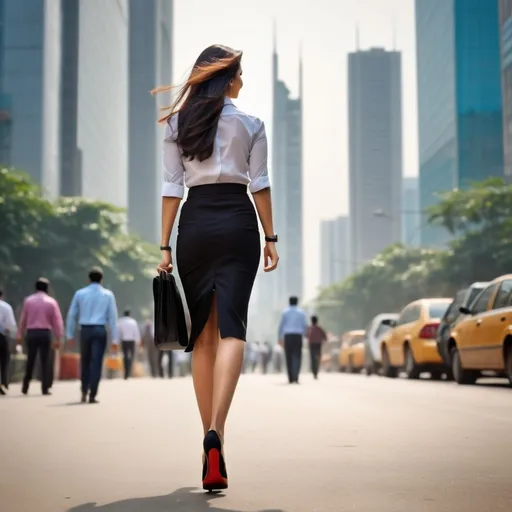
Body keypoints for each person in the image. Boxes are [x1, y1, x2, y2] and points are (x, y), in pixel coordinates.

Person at [153, 44, 279, 491]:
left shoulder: (176, 125)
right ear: (228, 80)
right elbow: (260, 184)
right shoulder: (251, 124)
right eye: (240, 76)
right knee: (233, 329)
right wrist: (270, 237)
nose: (242, 84)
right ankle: (217, 434)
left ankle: (206, 433)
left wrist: (165, 245)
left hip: (196, 225)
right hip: (239, 223)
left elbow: (173, 188)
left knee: (202, 333)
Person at [66, 267, 118, 403]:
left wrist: (69, 335)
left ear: (88, 279)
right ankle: (93, 394)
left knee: (85, 361)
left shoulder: (79, 294)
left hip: (85, 330)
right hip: (100, 330)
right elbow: (113, 318)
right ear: (102, 280)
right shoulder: (108, 295)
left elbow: (71, 315)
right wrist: (115, 340)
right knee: (96, 362)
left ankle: (84, 390)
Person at [17, 278, 64, 396]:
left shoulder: (28, 301)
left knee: (30, 359)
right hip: (45, 333)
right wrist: (59, 337)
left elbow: (23, 319)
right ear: (47, 288)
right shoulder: (51, 302)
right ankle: (45, 388)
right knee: (45, 361)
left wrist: (19, 334)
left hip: (31, 333)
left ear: (36, 288)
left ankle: (25, 386)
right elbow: (57, 321)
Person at [278, 296, 308, 384]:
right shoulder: (301, 313)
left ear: (289, 302)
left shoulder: (285, 312)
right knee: (297, 356)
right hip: (298, 336)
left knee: (288, 356)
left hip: (288, 336)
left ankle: (290, 378)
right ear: (297, 302)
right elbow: (305, 325)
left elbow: (281, 326)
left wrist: (279, 338)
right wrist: (305, 335)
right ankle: (296, 376)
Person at [0, 289, 17, 395]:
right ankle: (4, 382)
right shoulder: (6, 307)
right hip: (1, 336)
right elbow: (10, 325)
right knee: (4, 361)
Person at [117, 309, 141, 380]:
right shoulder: (133, 322)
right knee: (131, 356)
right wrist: (138, 342)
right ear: (130, 314)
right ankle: (129, 370)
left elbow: (118, 332)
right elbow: (136, 333)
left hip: (124, 341)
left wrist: (117, 341)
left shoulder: (120, 321)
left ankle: (126, 372)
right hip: (131, 341)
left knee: (125, 356)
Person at [307, 316, 327, 380]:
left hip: (312, 344)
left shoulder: (309, 328)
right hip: (318, 344)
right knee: (318, 358)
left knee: (312, 358)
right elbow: (324, 336)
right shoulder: (319, 328)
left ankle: (314, 371)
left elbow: (306, 335)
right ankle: (316, 371)